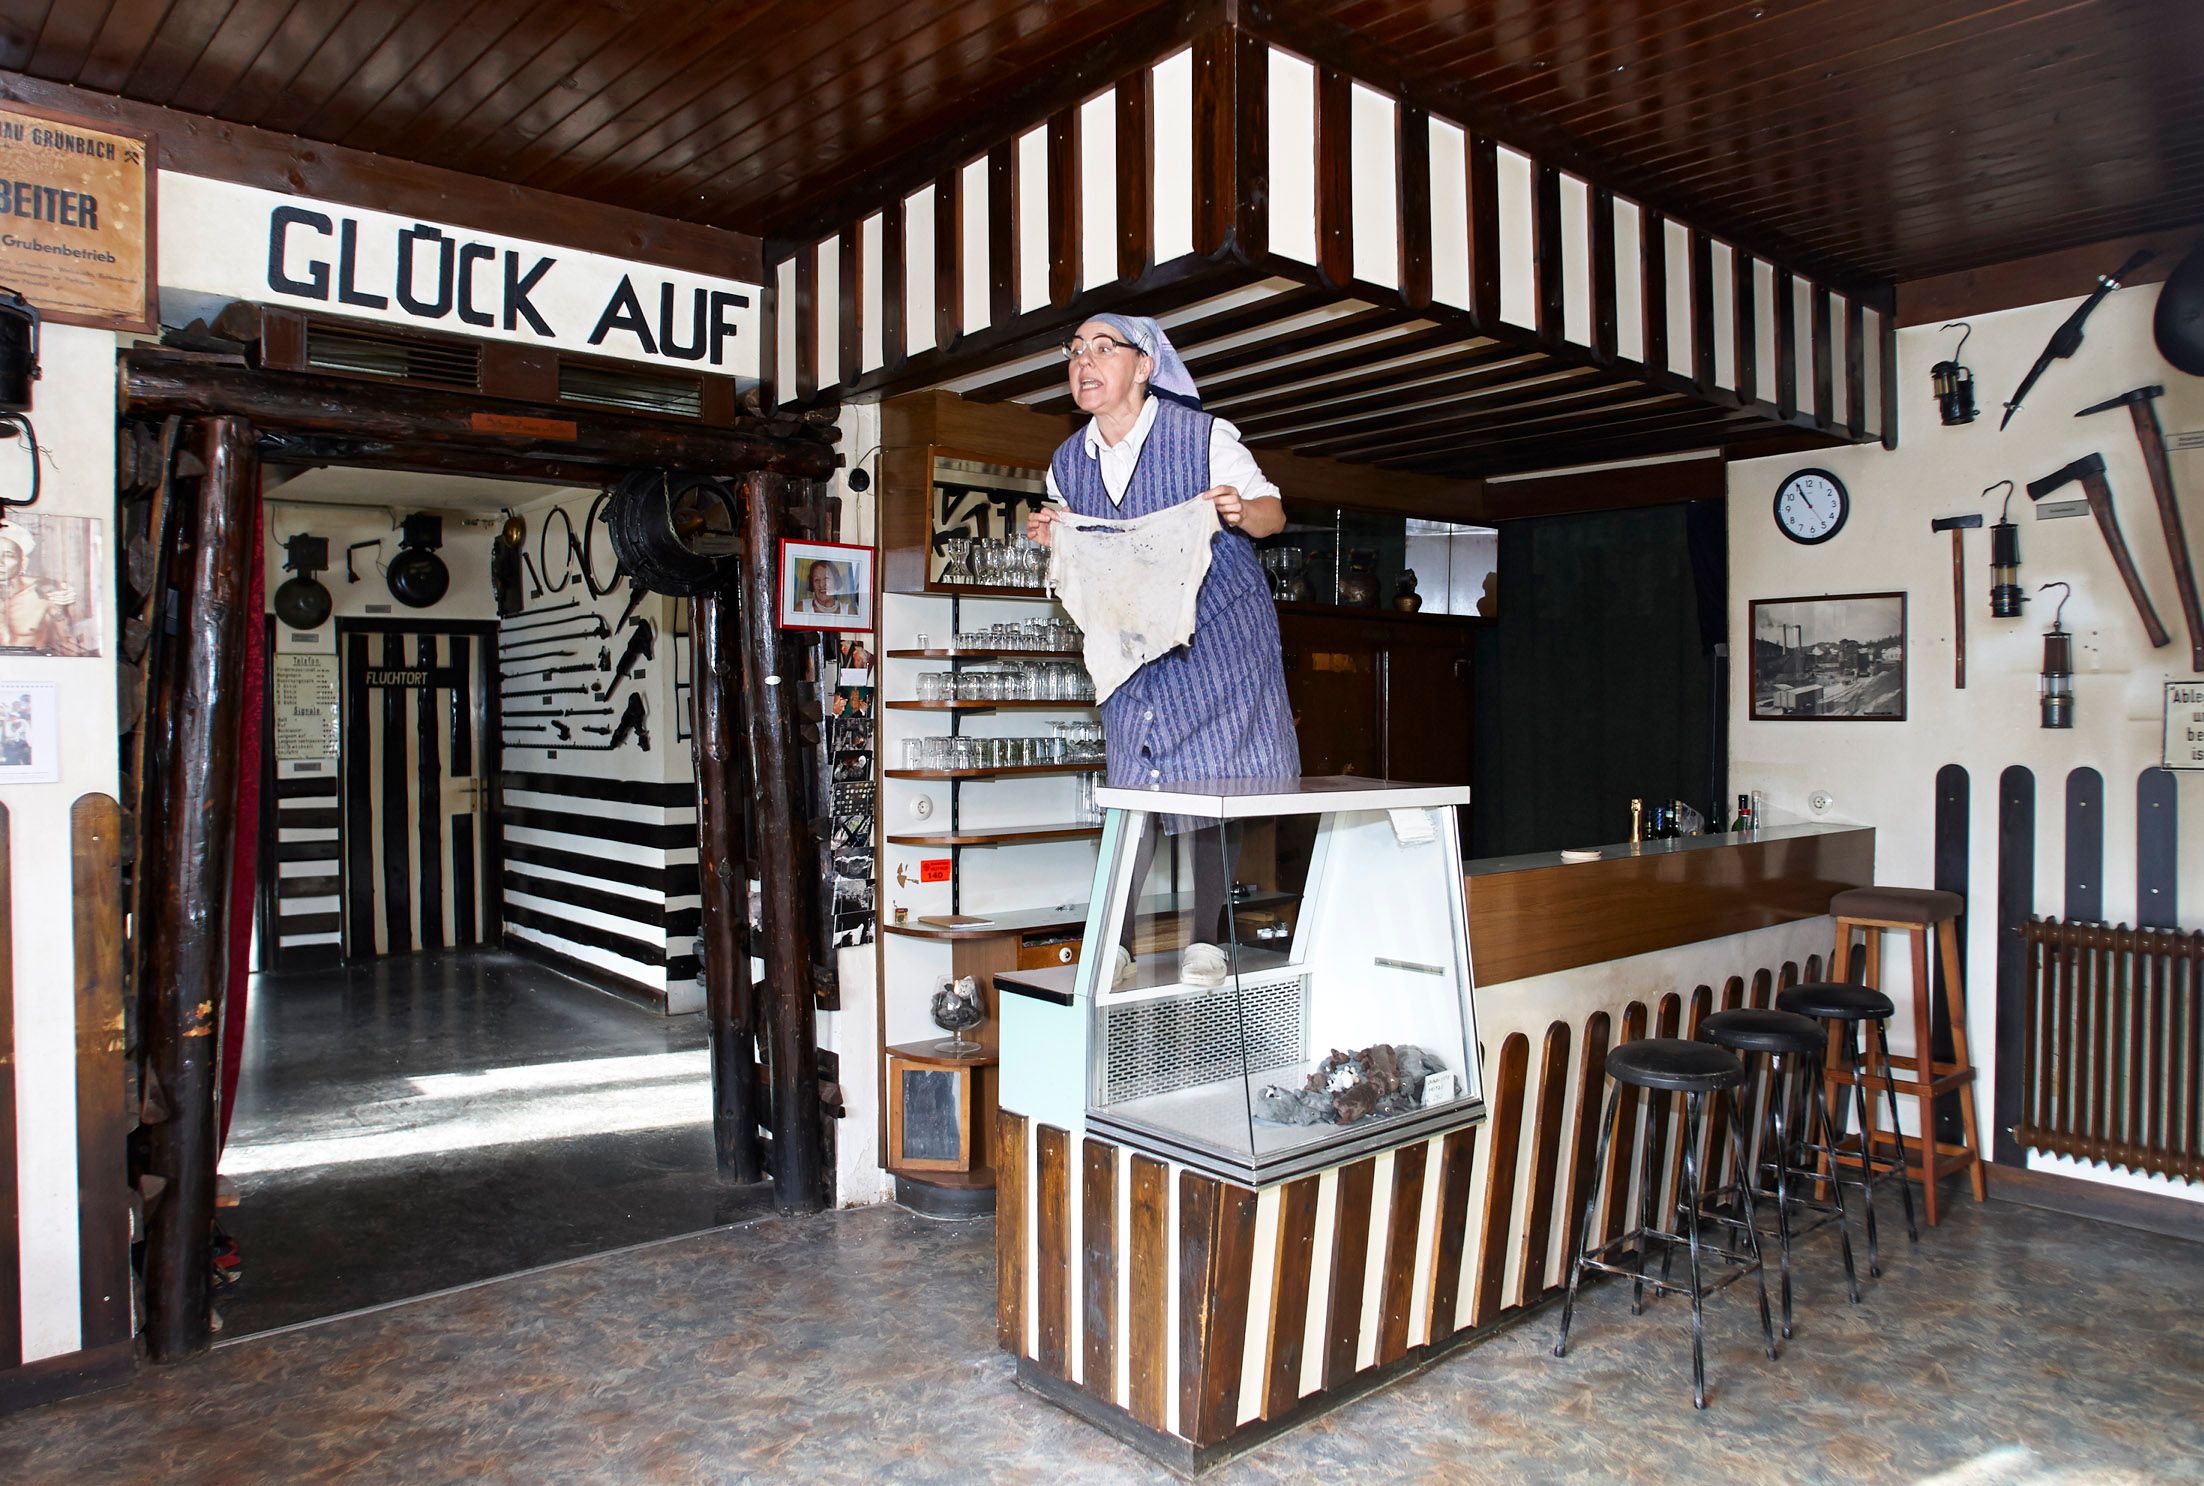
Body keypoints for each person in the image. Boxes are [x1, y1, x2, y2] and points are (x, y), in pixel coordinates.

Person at [1027, 313, 1300, 988]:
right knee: (1135, 781)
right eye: (1075, 352)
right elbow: (1079, 536)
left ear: (1144, 365)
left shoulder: (1202, 437)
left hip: (1219, 636)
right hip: (1131, 639)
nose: (1084, 363)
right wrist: (1051, 531)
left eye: (1101, 349)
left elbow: (1274, 513)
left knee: (1208, 780)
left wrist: (1238, 508)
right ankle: (1115, 943)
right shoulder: (1069, 462)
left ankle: (1205, 943)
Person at [0, 526, 85, 656]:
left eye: (8, 555)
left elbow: (70, 646)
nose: (0, 562)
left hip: (34, 668)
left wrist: (62, 609)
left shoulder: (45, 591)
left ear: (23, 563)